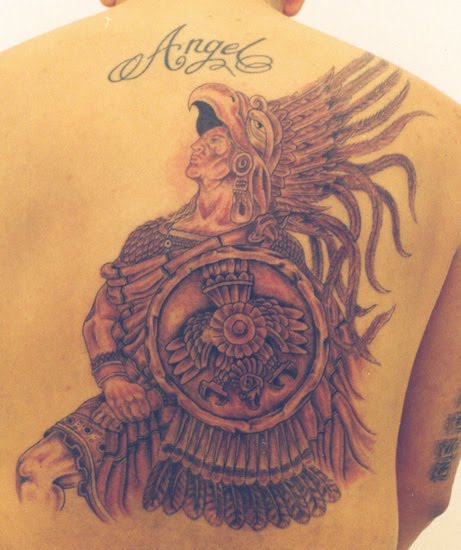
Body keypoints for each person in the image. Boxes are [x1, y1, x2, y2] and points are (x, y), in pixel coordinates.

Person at [1, 1, 460, 549]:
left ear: (244, 161)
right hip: (139, 405)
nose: (199, 144)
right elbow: (423, 492)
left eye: (216, 139)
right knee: (43, 467)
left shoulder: (12, 87)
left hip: (233, 436)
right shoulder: (448, 134)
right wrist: (115, 376)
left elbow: (295, 351)